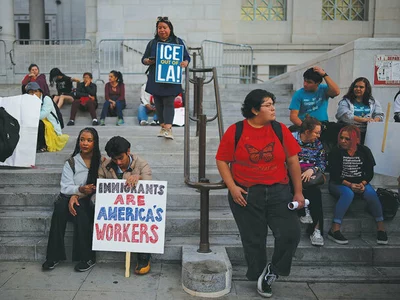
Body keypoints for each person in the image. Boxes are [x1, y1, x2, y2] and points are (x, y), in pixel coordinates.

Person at [215, 89, 304, 298]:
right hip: (246, 193)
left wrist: (298, 192)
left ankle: (272, 271)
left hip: (279, 191)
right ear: (255, 109)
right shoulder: (236, 130)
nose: (273, 108)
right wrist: (232, 187)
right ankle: (259, 275)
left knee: (291, 233)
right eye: (267, 105)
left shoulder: (280, 129)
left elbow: (292, 161)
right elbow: (222, 160)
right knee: (253, 239)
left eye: (273, 103)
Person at [42, 127, 102, 272]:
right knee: (60, 207)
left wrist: (78, 195)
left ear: (95, 142)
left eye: (89, 140)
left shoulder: (101, 161)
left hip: (89, 199)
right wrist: (78, 191)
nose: (85, 143)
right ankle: (53, 256)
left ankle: (87, 257)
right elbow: (65, 187)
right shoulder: (71, 162)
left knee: (80, 209)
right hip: (70, 196)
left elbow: (102, 183)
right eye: (82, 140)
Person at [98, 136, 153, 275]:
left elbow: (150, 185)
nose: (118, 162)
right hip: (115, 208)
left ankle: (143, 256)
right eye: (114, 159)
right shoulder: (106, 166)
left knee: (143, 218)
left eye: (121, 158)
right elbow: (101, 186)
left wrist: (138, 178)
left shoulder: (141, 164)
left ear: (128, 151)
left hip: (137, 207)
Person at [327, 125, 388, 245]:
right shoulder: (335, 151)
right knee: (348, 194)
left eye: (347, 139)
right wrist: (350, 185)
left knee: (371, 193)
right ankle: (334, 229)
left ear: (355, 139)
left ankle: (381, 228)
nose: (343, 141)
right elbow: (334, 175)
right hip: (339, 183)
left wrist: (362, 183)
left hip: (360, 182)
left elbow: (370, 172)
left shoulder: (364, 151)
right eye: (341, 138)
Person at [142, 16, 190, 139]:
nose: (162, 30)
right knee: (158, 103)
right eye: (159, 28)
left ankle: (168, 128)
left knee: (169, 102)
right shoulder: (152, 43)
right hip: (156, 78)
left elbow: (187, 57)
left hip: (171, 78)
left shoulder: (178, 42)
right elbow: (144, 59)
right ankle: (163, 127)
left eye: (164, 27)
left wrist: (185, 62)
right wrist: (148, 61)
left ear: (170, 28)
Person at [292, 117, 326, 246]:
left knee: (316, 193)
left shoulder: (317, 144)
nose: (318, 136)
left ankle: (316, 230)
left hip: (309, 175)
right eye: (316, 132)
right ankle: (303, 208)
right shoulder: (291, 138)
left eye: (319, 133)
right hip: (291, 173)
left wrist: (313, 169)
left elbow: (322, 161)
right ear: (306, 131)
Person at [289, 66, 340, 151]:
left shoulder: (323, 89)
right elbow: (293, 116)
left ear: (318, 83)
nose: (305, 84)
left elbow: (336, 91)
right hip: (305, 126)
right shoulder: (299, 94)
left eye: (309, 82)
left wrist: (324, 75)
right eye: (304, 80)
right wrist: (306, 128)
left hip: (322, 125)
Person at [336, 77, 384, 144]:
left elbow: (379, 114)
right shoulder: (345, 101)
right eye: (356, 87)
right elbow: (344, 115)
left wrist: (375, 120)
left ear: (366, 89)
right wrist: (363, 120)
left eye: (361, 87)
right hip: (349, 133)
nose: (358, 89)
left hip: (367, 133)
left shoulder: (373, 102)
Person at [25, 82, 69, 153]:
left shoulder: (46, 99)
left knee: (39, 123)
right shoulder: (28, 101)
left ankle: (42, 146)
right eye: (31, 92)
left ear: (40, 92)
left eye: (36, 91)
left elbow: (43, 114)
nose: (34, 94)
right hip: (35, 120)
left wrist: (29, 118)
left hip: (49, 123)